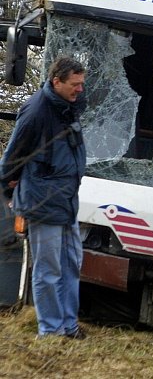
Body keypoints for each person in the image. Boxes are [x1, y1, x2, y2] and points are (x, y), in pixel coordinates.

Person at [0, 56, 87, 339]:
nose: (80, 90)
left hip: (66, 201)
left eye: (82, 84)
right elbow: (12, 156)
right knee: (48, 270)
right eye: (75, 85)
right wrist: (9, 190)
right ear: (56, 82)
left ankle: (68, 326)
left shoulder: (68, 107)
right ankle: (50, 331)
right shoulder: (36, 111)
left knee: (72, 264)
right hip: (43, 202)